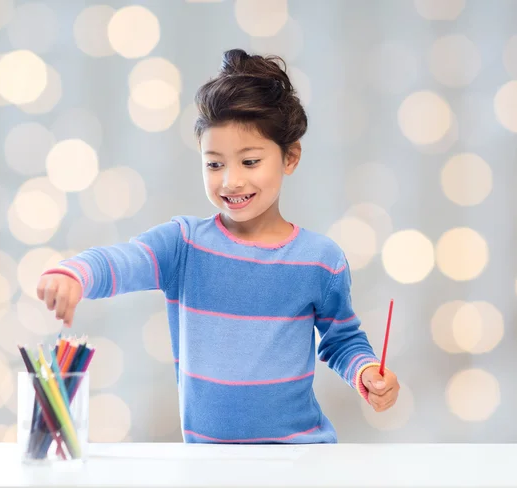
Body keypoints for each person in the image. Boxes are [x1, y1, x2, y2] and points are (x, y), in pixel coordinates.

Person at [37, 48, 400, 444]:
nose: (230, 181)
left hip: (300, 457)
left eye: (249, 162)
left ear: (290, 156)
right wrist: (74, 274)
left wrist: (366, 372)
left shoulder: (320, 260)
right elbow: (122, 260)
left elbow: (342, 340)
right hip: (207, 463)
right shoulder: (184, 245)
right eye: (214, 164)